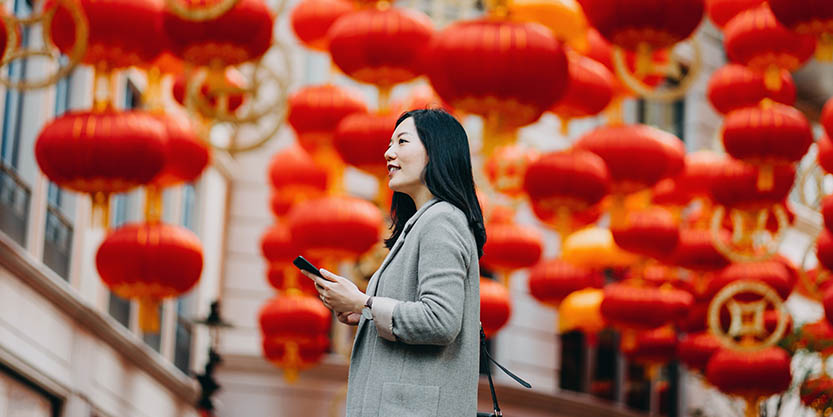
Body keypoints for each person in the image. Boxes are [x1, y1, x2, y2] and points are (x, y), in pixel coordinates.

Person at [300, 108, 486, 417]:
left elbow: (441, 320)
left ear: (436, 151)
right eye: (390, 144)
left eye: (402, 142)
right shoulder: (425, 222)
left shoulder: (441, 220)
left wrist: (365, 305)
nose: (388, 153)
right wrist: (366, 314)